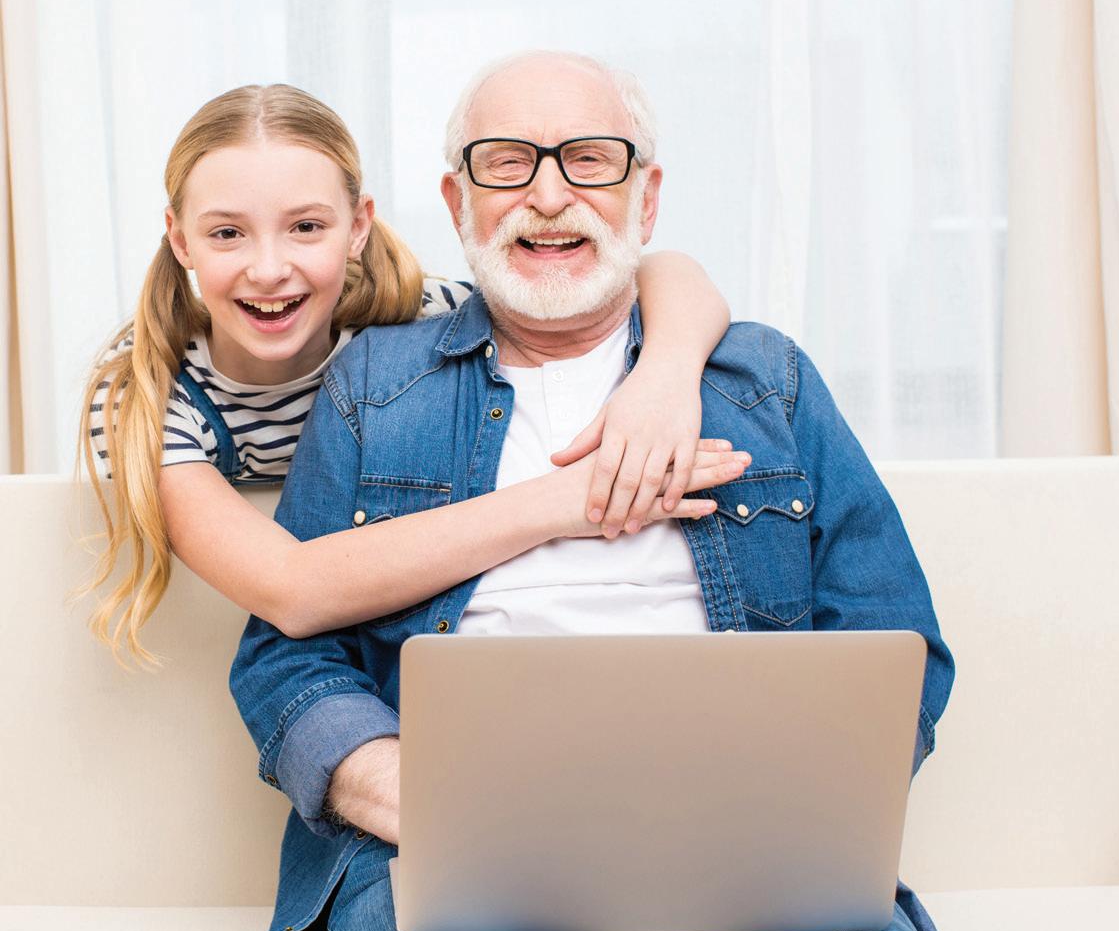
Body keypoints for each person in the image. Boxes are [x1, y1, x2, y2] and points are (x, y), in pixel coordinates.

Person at [224, 52, 998, 931]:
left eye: (589, 159)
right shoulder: (374, 384)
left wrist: (799, 808)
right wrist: (398, 789)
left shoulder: (762, 379)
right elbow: (283, 652)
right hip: (458, 871)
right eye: (507, 162)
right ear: (456, 200)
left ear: (647, 194)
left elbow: (894, 637)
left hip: (747, 872)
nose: (549, 194)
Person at [79, 83, 746, 664]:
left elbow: (661, 272)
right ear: (180, 238)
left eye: (306, 227)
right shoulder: (143, 395)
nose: (269, 268)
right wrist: (571, 500)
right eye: (227, 234)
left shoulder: (421, 317)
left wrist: (664, 376)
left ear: (358, 227)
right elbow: (290, 589)